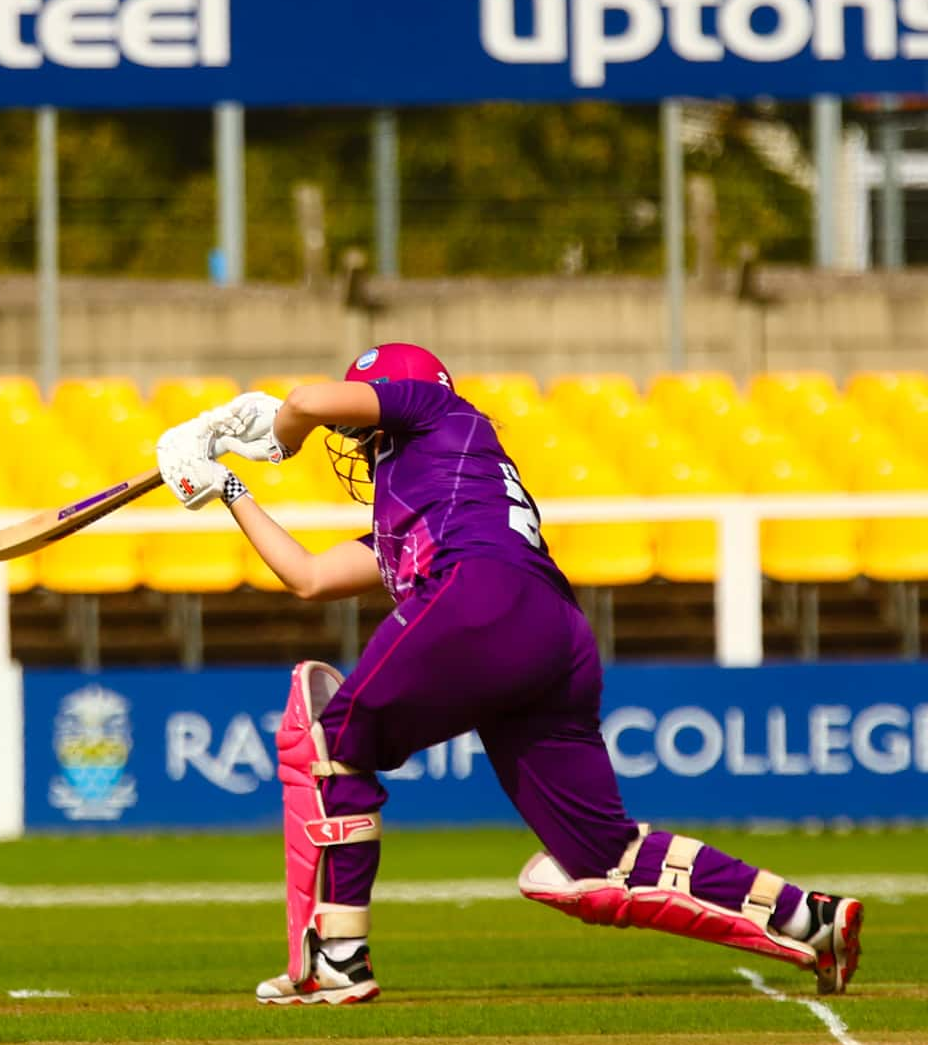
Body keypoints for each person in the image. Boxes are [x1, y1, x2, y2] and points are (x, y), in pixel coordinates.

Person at [153, 343, 864, 1006]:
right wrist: (229, 486)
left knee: (332, 734)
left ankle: (335, 955)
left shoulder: (439, 411)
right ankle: (808, 916)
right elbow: (307, 576)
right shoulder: (428, 504)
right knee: (598, 854)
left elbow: (307, 402)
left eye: (358, 428)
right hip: (551, 630)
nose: (356, 447)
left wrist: (271, 431)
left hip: (481, 597)